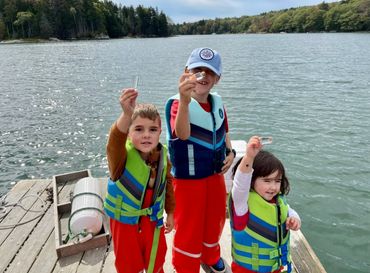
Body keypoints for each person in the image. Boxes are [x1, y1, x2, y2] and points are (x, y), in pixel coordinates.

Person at [165, 47, 235, 273]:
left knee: (215, 219)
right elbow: (182, 134)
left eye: (209, 72)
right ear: (187, 72)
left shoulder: (218, 103)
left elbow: (224, 131)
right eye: (197, 70)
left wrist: (231, 153)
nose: (203, 76)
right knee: (189, 227)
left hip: (214, 176)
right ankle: (185, 265)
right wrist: (185, 102)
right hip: (188, 182)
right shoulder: (178, 104)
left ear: (218, 78)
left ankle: (210, 255)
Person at [104, 88, 175, 273]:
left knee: (157, 259)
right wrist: (126, 114)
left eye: (153, 129)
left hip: (153, 221)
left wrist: (171, 213)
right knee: (129, 264)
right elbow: (114, 140)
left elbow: (168, 185)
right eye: (138, 129)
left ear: (160, 132)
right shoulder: (119, 158)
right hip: (126, 224)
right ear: (128, 132)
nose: (146, 135)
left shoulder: (163, 156)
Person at [229, 136, 301, 273]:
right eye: (267, 181)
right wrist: (249, 157)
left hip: (275, 268)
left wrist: (294, 219)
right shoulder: (242, 205)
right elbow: (240, 185)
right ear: (252, 180)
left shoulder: (278, 201)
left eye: (277, 181)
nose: (273, 187)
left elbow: (289, 210)